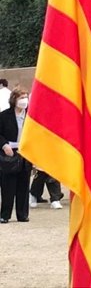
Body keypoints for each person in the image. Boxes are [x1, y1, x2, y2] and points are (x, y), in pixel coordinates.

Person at [0, 88, 33, 223]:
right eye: (21, 98)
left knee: (24, 185)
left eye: (25, 97)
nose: (24, 100)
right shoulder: (4, 116)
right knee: (8, 185)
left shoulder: (31, 116)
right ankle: (5, 214)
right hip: (9, 153)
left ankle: (22, 214)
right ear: (14, 100)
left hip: (25, 152)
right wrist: (4, 145)